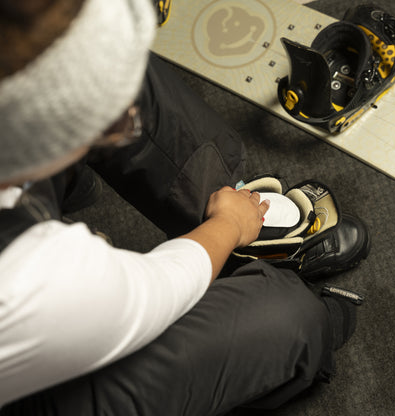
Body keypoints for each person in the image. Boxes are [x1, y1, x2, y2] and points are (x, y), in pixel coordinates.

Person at [0, 0, 369, 414]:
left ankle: (254, 239)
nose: (129, 124)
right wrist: (228, 223)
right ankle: (308, 325)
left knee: (112, 70)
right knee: (285, 317)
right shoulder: (28, 279)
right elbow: (157, 288)